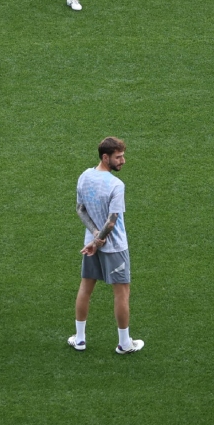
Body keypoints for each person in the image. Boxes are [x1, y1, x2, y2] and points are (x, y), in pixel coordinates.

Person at [70, 137, 142, 352]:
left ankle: (80, 339)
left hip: (90, 245)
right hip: (115, 247)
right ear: (105, 157)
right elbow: (112, 221)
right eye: (118, 157)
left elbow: (80, 209)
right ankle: (124, 343)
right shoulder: (116, 185)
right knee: (122, 293)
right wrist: (99, 239)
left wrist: (93, 237)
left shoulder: (84, 176)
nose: (123, 161)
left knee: (85, 288)